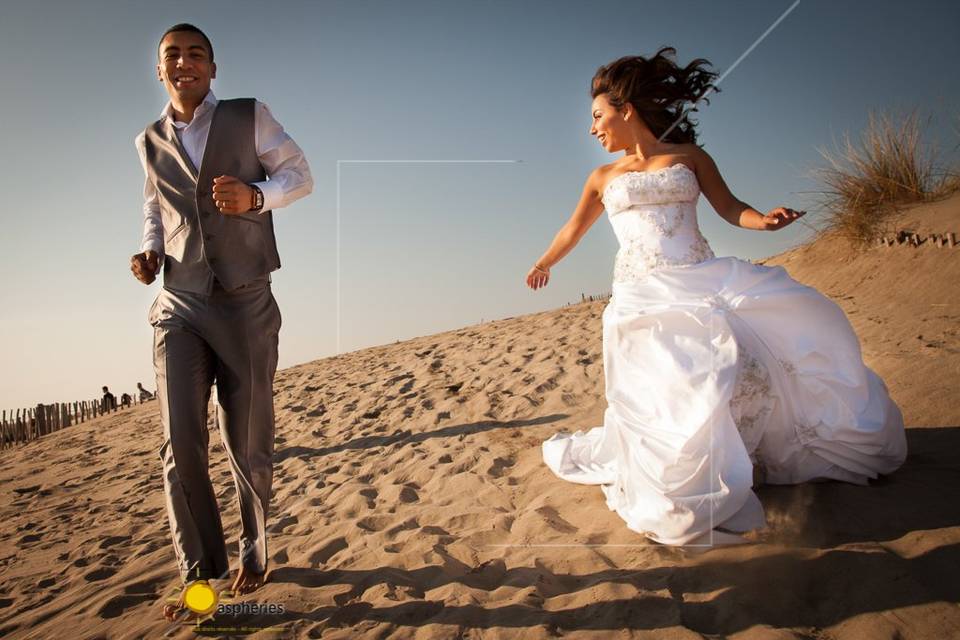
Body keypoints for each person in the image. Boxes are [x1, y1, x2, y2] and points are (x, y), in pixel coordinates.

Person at [528, 48, 907, 546]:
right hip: (643, 292)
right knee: (673, 382)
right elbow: (571, 230)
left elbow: (732, 209)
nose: (593, 129)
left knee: (739, 365)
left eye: (598, 116)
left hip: (701, 278)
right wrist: (544, 262)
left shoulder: (689, 158)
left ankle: (744, 457)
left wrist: (764, 221)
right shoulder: (601, 179)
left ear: (625, 108)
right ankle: (689, 474)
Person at [128, 23, 313, 618]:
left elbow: (300, 175)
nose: (184, 63)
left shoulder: (248, 114)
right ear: (159, 70)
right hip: (178, 301)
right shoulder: (148, 140)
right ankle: (201, 574)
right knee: (181, 444)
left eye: (196, 54)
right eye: (172, 56)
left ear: (213, 67)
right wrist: (150, 250)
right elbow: (156, 206)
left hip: (245, 298)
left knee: (248, 439)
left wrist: (257, 196)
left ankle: (255, 550)